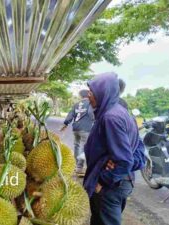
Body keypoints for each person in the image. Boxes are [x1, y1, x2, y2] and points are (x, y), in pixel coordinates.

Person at [84, 72, 145, 225]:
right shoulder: (121, 112)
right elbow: (137, 146)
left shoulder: (111, 117)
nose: (88, 96)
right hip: (121, 182)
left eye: (91, 93)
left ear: (102, 92)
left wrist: (102, 182)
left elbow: (124, 160)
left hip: (111, 186)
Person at [60, 89, 94, 175]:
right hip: (86, 128)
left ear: (81, 96)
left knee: (77, 146)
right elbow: (91, 114)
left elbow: (70, 115)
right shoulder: (89, 103)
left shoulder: (76, 104)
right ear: (88, 95)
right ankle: (79, 167)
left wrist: (65, 124)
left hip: (76, 128)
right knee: (84, 147)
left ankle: (75, 165)